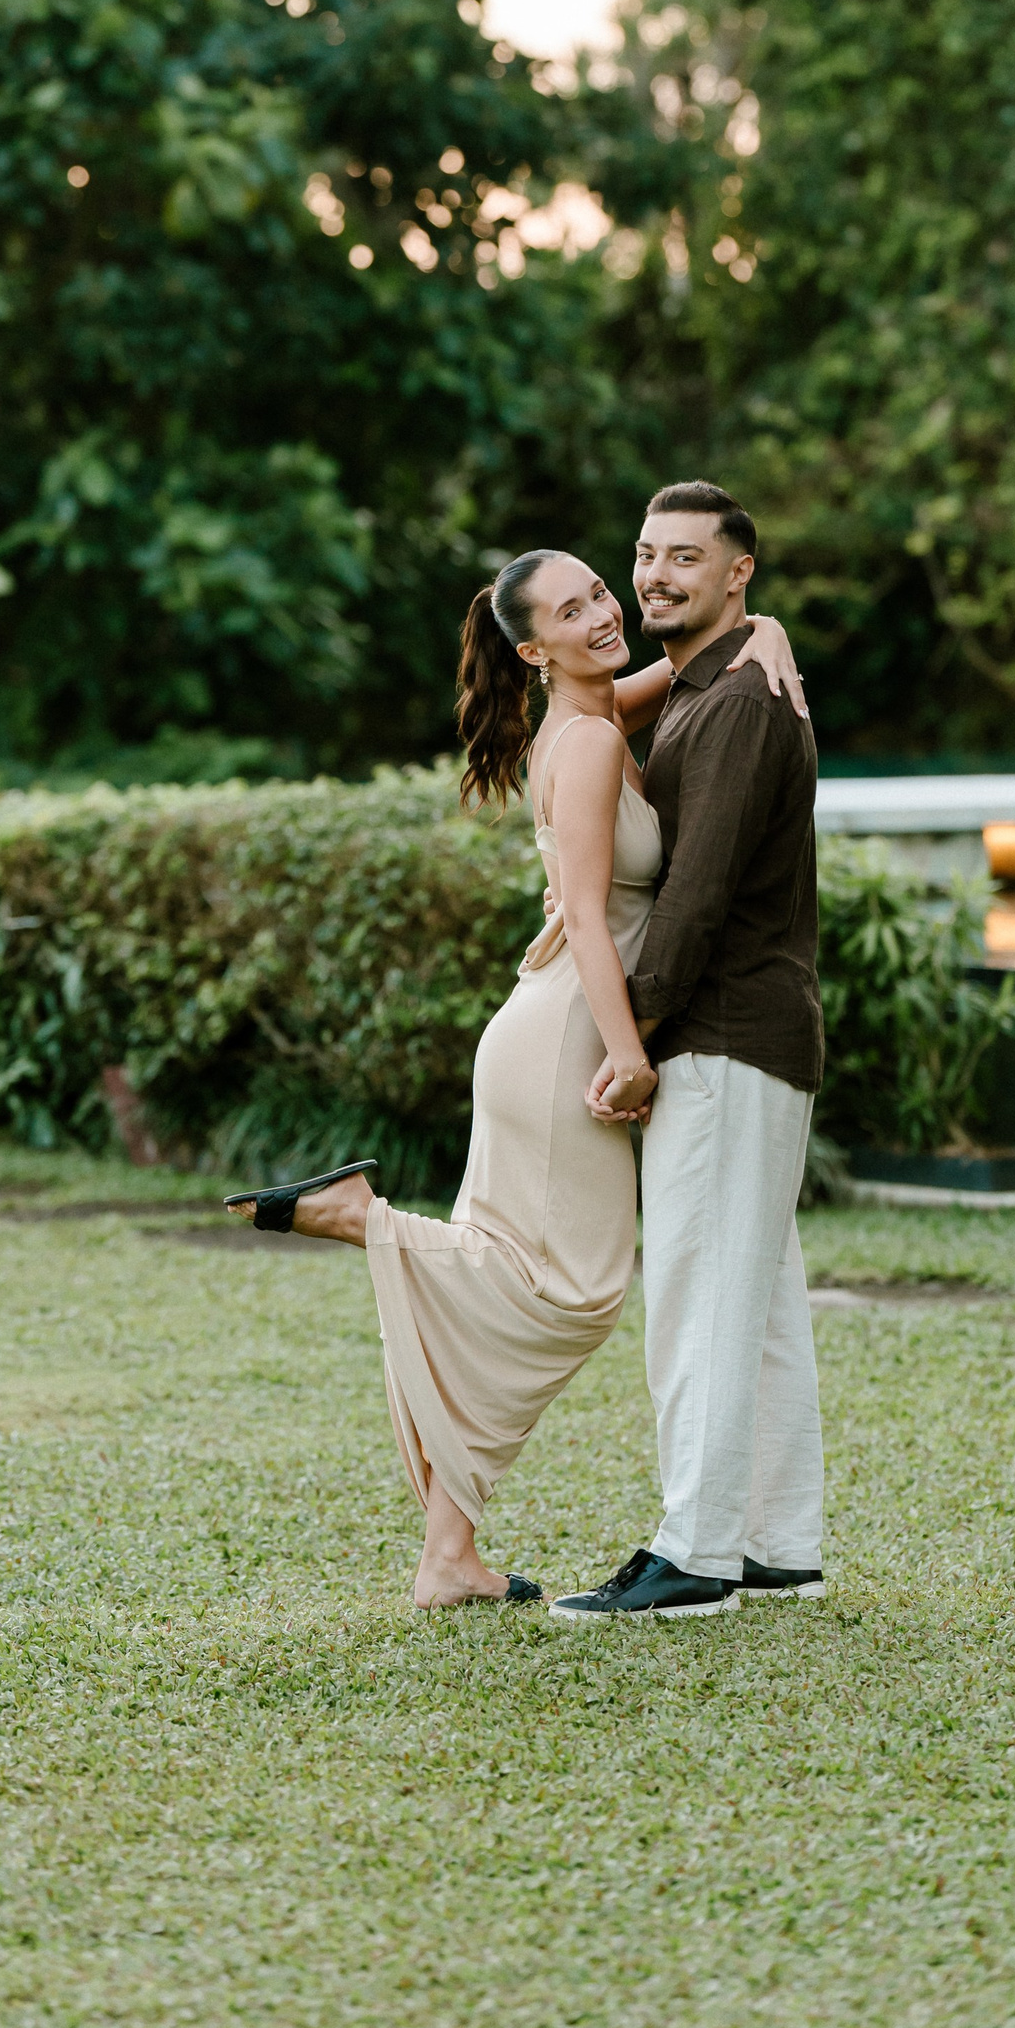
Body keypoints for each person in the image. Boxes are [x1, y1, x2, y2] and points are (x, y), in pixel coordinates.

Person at [223, 549, 805, 1610]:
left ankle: (449, 1557)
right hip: (570, 1036)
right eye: (570, 612)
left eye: (600, 593)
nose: (602, 614)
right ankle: (357, 1217)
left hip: (550, 1026)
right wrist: (629, 1053)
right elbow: (586, 914)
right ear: (534, 651)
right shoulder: (589, 742)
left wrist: (758, 629)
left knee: (524, 1276)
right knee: (571, 1294)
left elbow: (691, 670)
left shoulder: (594, 714)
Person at [549, 482, 826, 1623]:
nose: (656, 576)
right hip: (749, 1034)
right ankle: (778, 1544)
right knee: (757, 1302)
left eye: (685, 558)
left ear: (737, 572)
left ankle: (695, 1554)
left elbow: (695, 899)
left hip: (722, 1035)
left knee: (700, 1296)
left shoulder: (740, 703)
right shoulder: (713, 684)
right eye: (645, 554)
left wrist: (635, 1043)